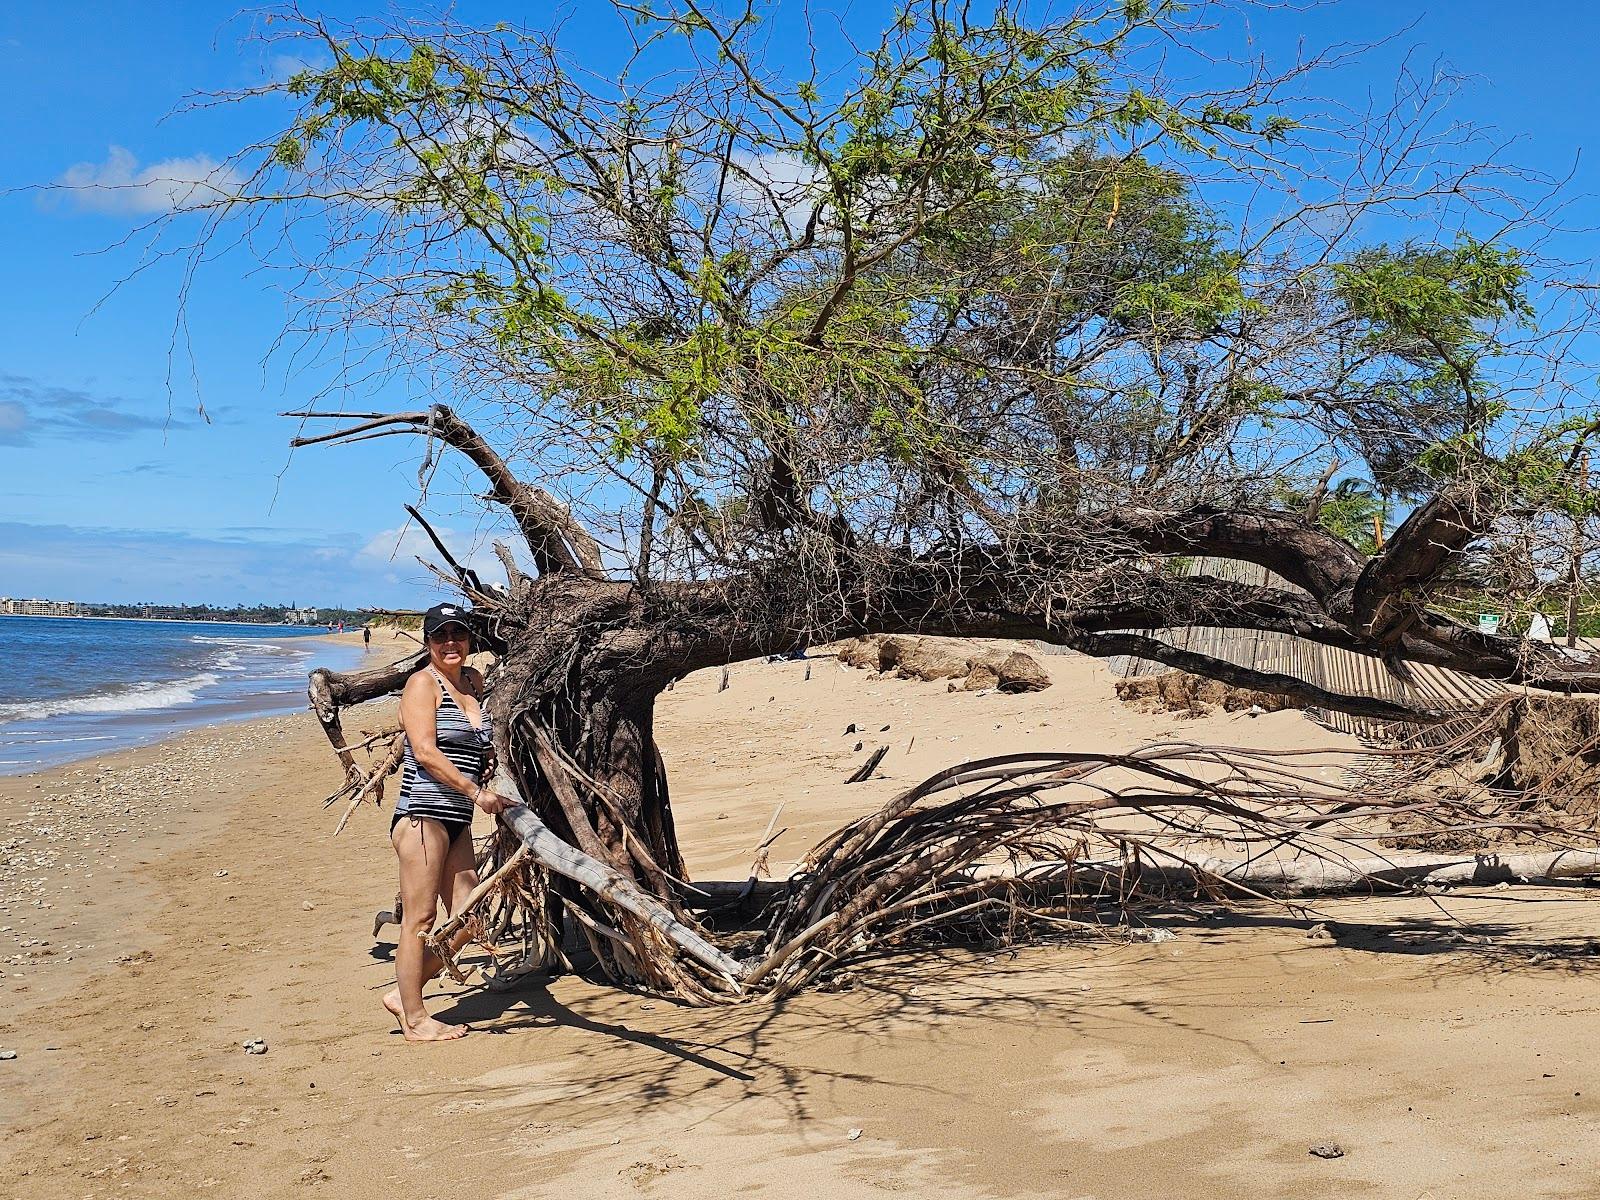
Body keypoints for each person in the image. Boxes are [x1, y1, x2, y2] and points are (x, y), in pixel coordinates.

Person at [382, 602, 512, 1041]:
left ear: (470, 639)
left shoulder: (474, 682)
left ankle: (406, 993)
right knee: (420, 918)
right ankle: (416, 1020)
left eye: (458, 634)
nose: (450, 643)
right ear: (428, 642)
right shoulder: (422, 684)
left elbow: (478, 743)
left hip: (456, 817)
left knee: (469, 918)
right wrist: (477, 792)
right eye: (440, 636)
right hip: (423, 815)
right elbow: (424, 752)